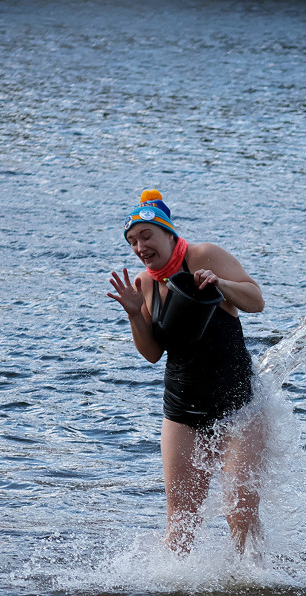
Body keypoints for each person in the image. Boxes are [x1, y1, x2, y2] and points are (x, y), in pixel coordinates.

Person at [108, 190, 266, 556]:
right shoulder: (146, 283)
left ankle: (258, 589)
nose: (140, 247)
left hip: (239, 407)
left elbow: (256, 301)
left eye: (146, 236)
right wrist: (134, 313)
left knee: (240, 512)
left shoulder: (203, 255)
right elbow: (151, 354)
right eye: (132, 241)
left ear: (167, 232)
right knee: (181, 521)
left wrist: (218, 284)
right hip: (182, 410)